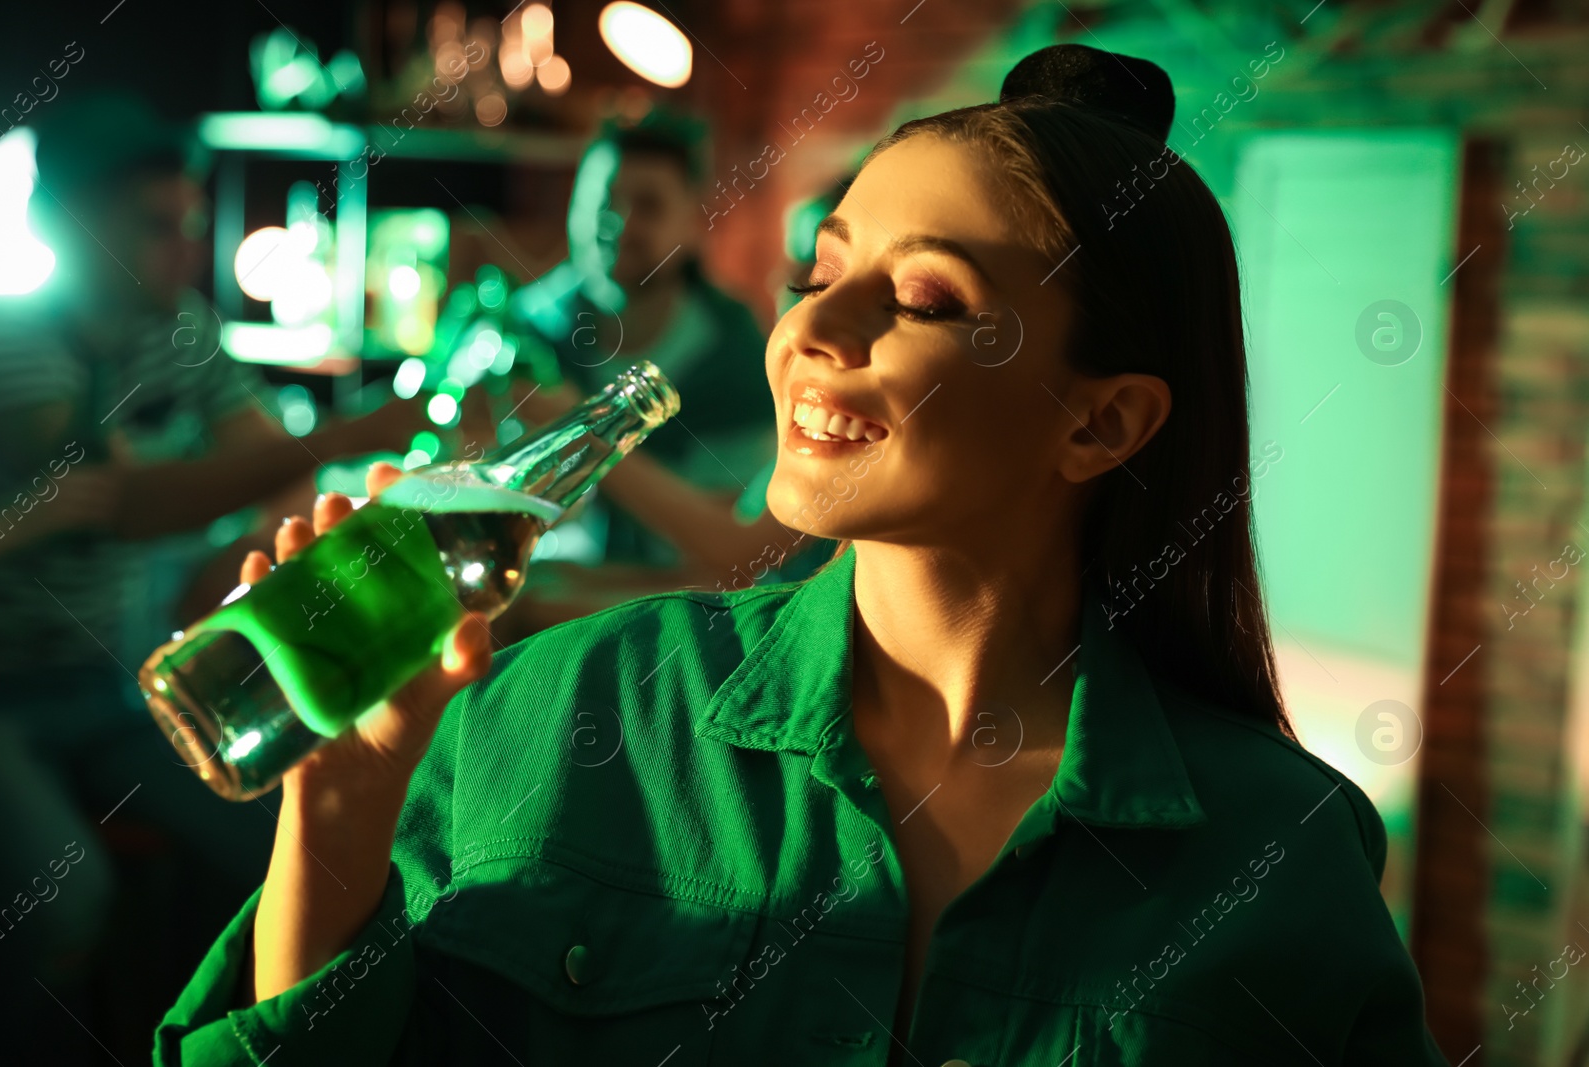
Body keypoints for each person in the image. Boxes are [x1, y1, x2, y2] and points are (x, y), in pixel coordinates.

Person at [154, 47, 1448, 1065]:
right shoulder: (569, 713)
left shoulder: (1275, 853)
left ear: (1101, 419)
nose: (817, 325)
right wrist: (333, 823)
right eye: (814, 269)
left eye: (929, 298)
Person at [0, 93, 421, 1058]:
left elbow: (270, 468)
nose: (186, 246)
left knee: (264, 845)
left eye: (188, 221)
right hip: (0, 694)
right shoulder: (8, 340)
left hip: (104, 685)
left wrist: (218, 583)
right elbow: (121, 498)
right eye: (156, 225)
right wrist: (356, 432)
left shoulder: (176, 330)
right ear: (70, 223)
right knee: (61, 899)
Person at [497, 110, 777, 573]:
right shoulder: (528, 329)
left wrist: (584, 430)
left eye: (648, 206)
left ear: (692, 222)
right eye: (604, 202)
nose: (619, 224)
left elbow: (727, 561)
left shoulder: (737, 358)